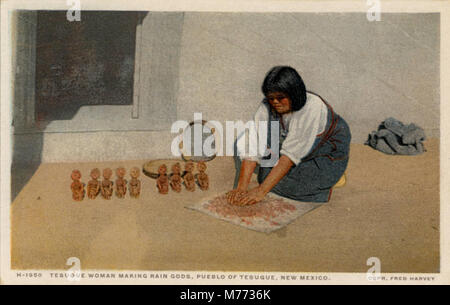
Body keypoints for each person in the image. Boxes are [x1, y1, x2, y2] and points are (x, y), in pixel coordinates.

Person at [226, 66, 351, 205]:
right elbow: (253, 143)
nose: (275, 102)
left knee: (291, 187)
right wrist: (241, 188)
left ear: (294, 94)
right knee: (264, 177)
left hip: (325, 156)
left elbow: (290, 156)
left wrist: (260, 192)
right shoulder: (268, 105)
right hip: (298, 152)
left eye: (281, 98)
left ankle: (333, 178)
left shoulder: (312, 107)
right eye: (271, 98)